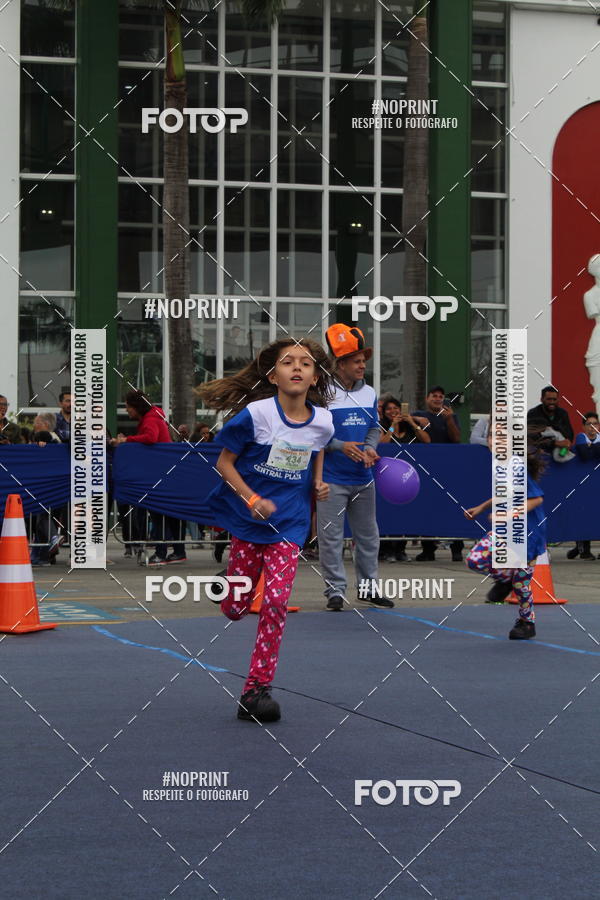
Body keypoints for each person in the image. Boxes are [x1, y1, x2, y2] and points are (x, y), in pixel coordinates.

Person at [199, 338, 334, 723]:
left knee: (275, 602)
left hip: (289, 524)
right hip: (249, 521)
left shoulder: (322, 419)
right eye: (287, 362)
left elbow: (317, 446)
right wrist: (251, 498)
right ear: (273, 376)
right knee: (236, 609)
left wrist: (318, 484)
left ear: (313, 377)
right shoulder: (256, 415)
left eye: (305, 363)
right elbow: (225, 464)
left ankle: (256, 689)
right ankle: (229, 585)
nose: (296, 367)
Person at [316, 324, 394, 611]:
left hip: (364, 478)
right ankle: (335, 591)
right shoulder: (321, 392)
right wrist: (339, 445)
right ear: (340, 364)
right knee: (331, 538)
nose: (363, 365)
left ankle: (369, 588)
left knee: (368, 536)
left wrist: (371, 446)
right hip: (330, 479)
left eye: (363, 360)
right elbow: (312, 432)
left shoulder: (370, 393)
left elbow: (374, 428)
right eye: (357, 361)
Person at [464, 434, 546, 640]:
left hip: (528, 532)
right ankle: (505, 579)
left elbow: (536, 499)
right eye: (491, 435)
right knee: (475, 560)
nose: (494, 440)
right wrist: (481, 507)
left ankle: (527, 623)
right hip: (506, 530)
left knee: (522, 584)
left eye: (501, 436)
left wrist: (509, 514)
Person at [111, 390, 186, 565]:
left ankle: (160, 553)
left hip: (157, 473)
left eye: (128, 407)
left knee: (157, 512)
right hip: (165, 470)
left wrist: (126, 440)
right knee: (171, 513)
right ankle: (179, 551)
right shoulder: (155, 416)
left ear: (136, 406)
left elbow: (151, 438)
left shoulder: (150, 419)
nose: (127, 411)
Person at [412, 385, 463, 561]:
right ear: (427, 398)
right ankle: (428, 549)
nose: (437, 399)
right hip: (426, 469)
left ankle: (457, 549)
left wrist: (449, 420)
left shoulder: (451, 416)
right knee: (427, 508)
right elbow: (403, 418)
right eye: (434, 396)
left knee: (453, 508)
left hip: (449, 468)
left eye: (441, 396)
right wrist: (417, 419)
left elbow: (456, 439)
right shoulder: (419, 414)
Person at [378, 397, 430, 562]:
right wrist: (393, 426)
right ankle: (386, 549)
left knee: (406, 510)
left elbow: (427, 441)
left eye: (396, 408)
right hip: (388, 475)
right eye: (389, 409)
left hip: (408, 475)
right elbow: (382, 444)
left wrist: (412, 423)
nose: (393, 411)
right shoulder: (381, 426)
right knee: (388, 510)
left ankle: (401, 549)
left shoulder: (410, 426)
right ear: (384, 412)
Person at [567, 412, 600, 560]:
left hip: (597, 485)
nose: (592, 428)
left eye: (595, 424)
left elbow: (590, 452)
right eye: (589, 424)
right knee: (583, 514)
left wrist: (590, 448)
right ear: (583, 427)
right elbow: (585, 456)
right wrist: (592, 449)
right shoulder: (581, 437)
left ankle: (577, 549)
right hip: (582, 483)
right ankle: (583, 550)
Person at [527, 386, 573, 451]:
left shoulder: (563, 413)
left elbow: (570, 434)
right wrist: (555, 443)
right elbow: (531, 437)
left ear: (558, 399)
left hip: (561, 451)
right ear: (541, 399)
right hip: (540, 452)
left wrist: (567, 442)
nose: (552, 402)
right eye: (549, 399)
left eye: (554, 399)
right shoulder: (533, 413)